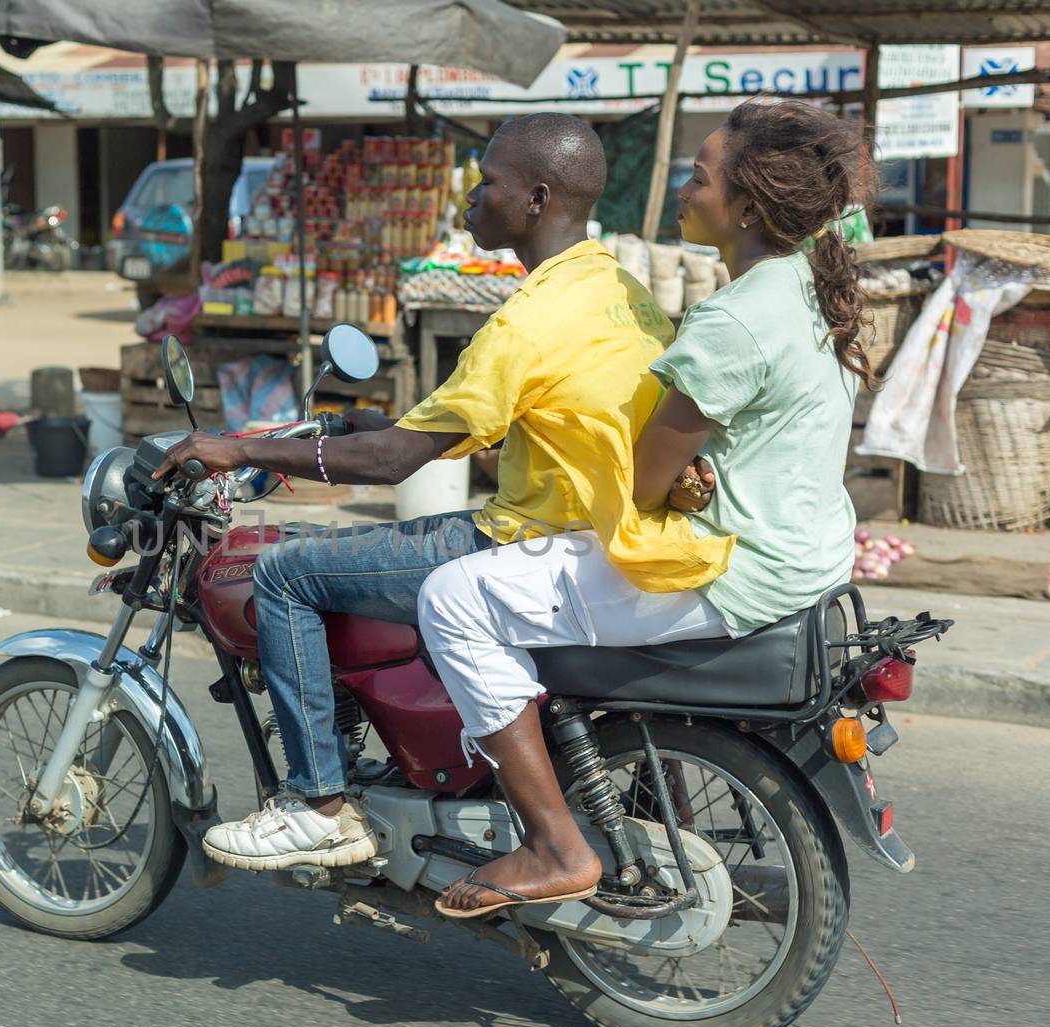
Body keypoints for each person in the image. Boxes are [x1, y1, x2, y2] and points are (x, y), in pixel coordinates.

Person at [155, 113, 730, 872]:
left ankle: (318, 804)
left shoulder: (524, 322)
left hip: (530, 536)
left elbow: (396, 462)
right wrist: (376, 425)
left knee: (284, 571)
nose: (469, 195)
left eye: (486, 180)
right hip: (600, 525)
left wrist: (235, 448)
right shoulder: (616, 287)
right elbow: (536, 413)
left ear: (535, 197)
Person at [423, 99, 879, 918]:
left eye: (697, 177)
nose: (682, 189)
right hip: (808, 557)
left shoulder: (734, 319)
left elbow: (641, 482)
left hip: (733, 571)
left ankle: (554, 845)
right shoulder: (805, 288)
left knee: (454, 597)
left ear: (746, 206)